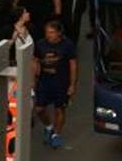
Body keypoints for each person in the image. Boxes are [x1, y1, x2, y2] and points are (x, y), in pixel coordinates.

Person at [33, 20, 77, 149]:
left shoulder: (67, 45)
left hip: (61, 81)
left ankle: (56, 135)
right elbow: (35, 61)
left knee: (59, 109)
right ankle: (48, 127)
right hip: (44, 80)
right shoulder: (40, 44)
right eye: (47, 32)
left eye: (51, 32)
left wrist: (72, 84)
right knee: (39, 109)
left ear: (59, 33)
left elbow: (73, 65)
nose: (49, 35)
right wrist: (33, 80)